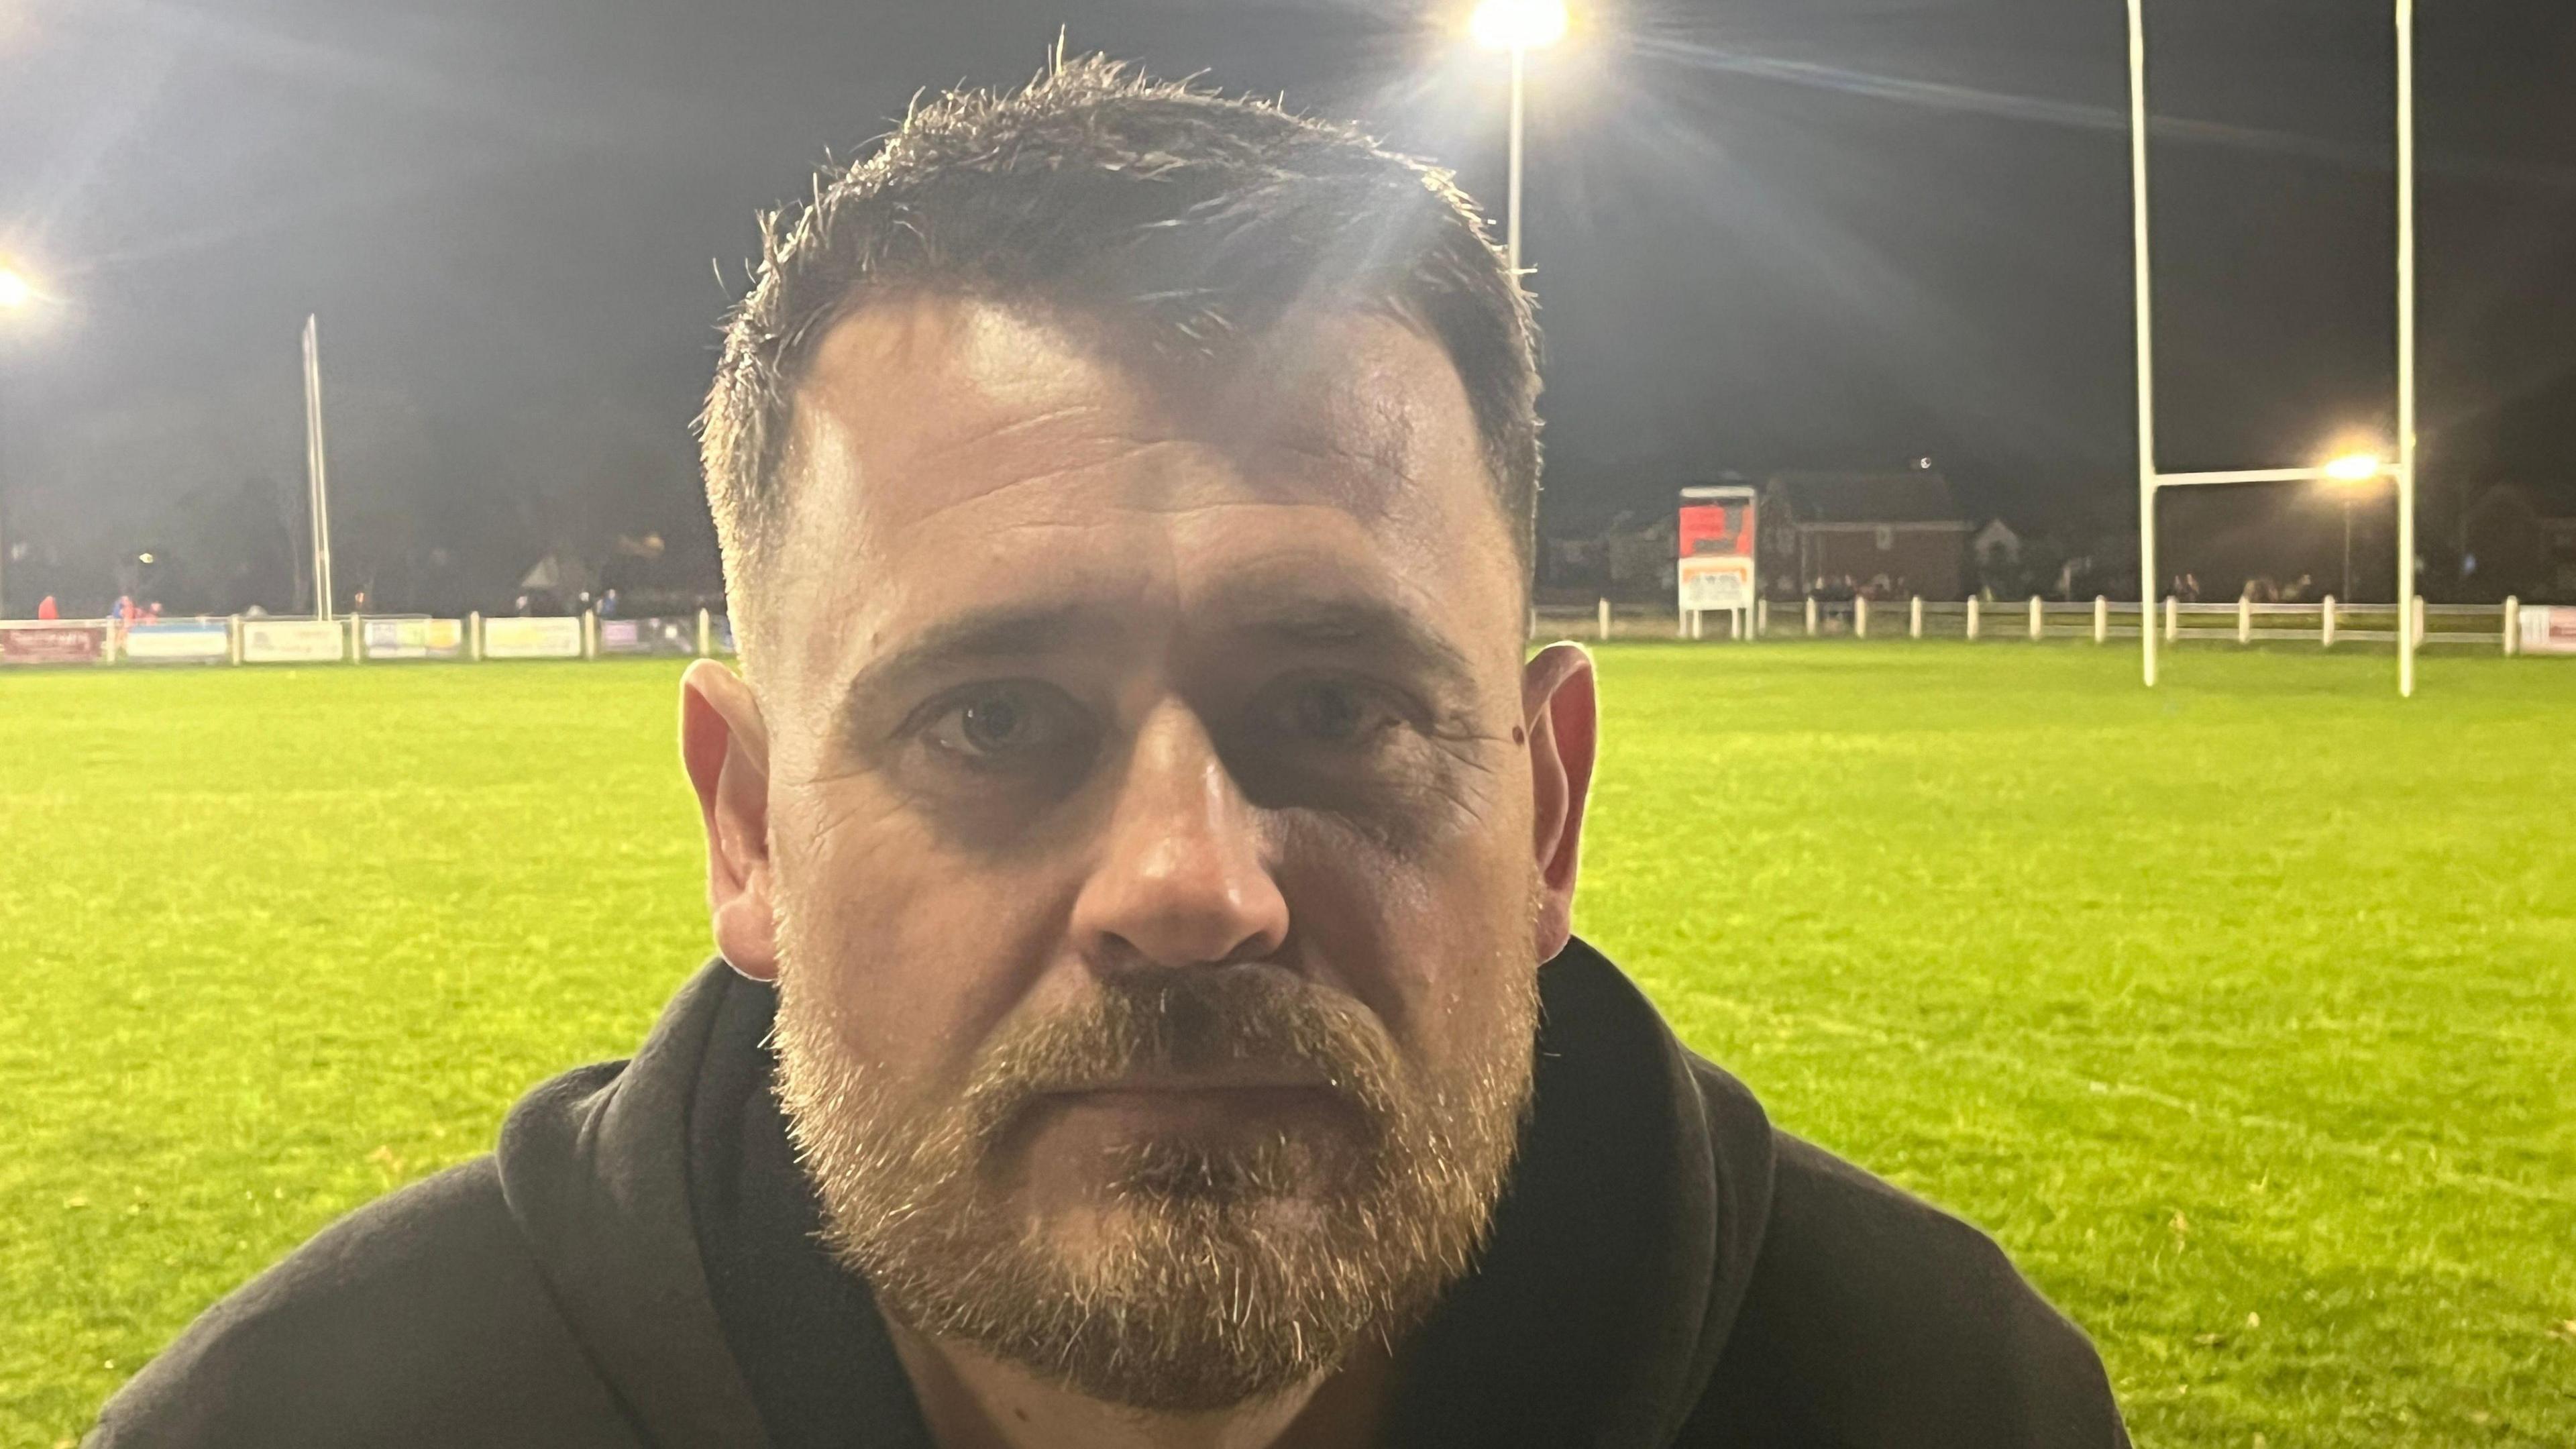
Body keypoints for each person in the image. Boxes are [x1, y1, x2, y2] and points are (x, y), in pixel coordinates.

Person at [91, 61, 2128, 1449]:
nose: (1189, 886)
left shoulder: (1940, 1402)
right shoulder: (313, 1424)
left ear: (1550, 804)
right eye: (995, 722)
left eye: (1334, 710)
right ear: (751, 828)